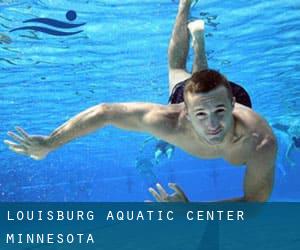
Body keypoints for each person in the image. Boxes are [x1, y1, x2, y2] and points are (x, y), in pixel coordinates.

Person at [4, 0, 277, 202]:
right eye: (201, 115)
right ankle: (185, 6)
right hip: (202, 96)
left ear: (232, 105)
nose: (214, 124)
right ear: (183, 110)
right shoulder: (170, 120)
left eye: (220, 111)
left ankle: (199, 43)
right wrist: (50, 142)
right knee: (178, 71)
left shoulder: (260, 140)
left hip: (224, 98)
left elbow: (254, 204)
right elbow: (105, 112)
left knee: (185, 75)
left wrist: (192, 211)